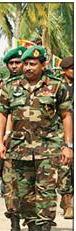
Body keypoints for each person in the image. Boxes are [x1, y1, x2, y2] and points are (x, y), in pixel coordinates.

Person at [0, 46, 73, 231]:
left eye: (32, 64)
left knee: (46, 193)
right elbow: (2, 114)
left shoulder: (56, 86)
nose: (28, 68)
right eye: (26, 64)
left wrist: (69, 145)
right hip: (20, 149)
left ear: (43, 65)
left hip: (49, 148)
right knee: (25, 194)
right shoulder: (11, 86)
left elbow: (66, 115)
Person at [0, 46, 26, 231]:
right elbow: (3, 113)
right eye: (12, 63)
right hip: (11, 145)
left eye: (18, 63)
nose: (15, 66)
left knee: (32, 188)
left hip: (34, 144)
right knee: (10, 187)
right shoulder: (4, 86)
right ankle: (14, 226)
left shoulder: (36, 84)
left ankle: (35, 227)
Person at [57, 56, 74, 219]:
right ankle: (67, 203)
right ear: (65, 71)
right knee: (64, 170)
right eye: (72, 69)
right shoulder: (58, 87)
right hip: (63, 134)